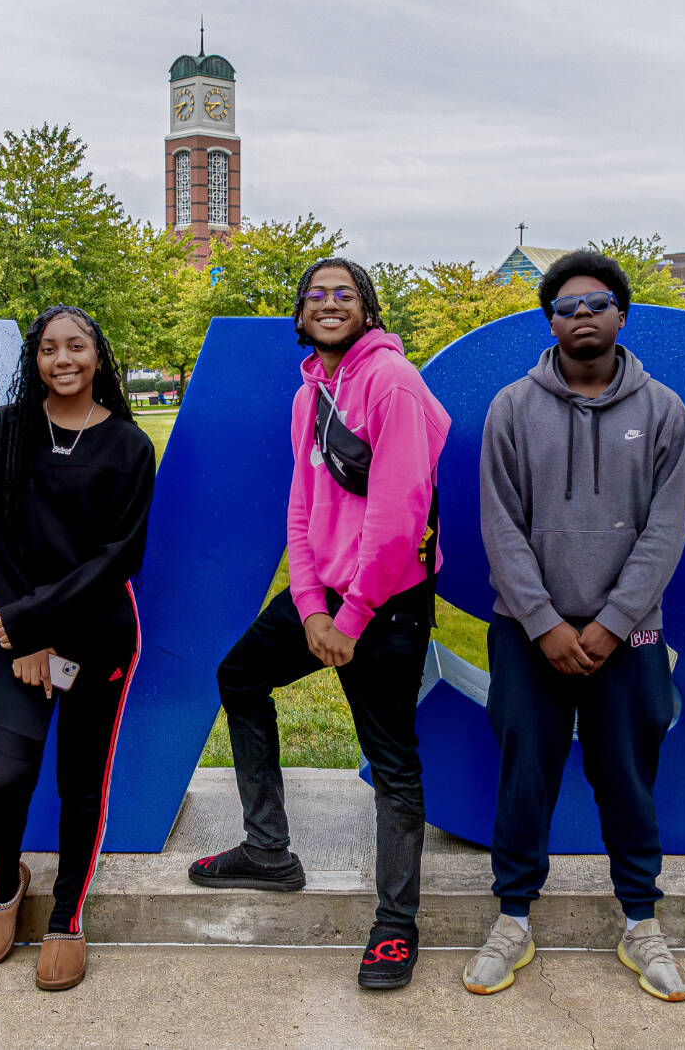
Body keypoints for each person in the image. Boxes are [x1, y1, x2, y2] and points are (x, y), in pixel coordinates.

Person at [187, 257, 450, 990]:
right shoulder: (310, 393)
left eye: (345, 293)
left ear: (368, 308)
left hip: (388, 603)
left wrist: (352, 617)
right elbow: (301, 509)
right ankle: (267, 849)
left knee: (391, 759)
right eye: (316, 295)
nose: (329, 303)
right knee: (240, 676)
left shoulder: (392, 382)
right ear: (300, 313)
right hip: (325, 594)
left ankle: (395, 926)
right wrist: (309, 607)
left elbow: (400, 516)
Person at [464, 250, 685, 1000]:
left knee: (628, 774)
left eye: (597, 303)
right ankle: (513, 918)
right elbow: (500, 526)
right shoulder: (511, 407)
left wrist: (614, 621)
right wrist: (543, 622)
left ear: (622, 315)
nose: (583, 315)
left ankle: (641, 921)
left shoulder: (663, 410)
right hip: (529, 632)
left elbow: (666, 529)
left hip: (630, 636)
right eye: (567, 307)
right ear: (550, 322)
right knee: (524, 773)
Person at [0, 305, 155, 992]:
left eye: (77, 346)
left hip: (97, 638)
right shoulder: (3, 430)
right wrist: (24, 634)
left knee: (81, 784)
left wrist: (34, 624)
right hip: (15, 638)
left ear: (98, 356)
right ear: (34, 359)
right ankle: (2, 885)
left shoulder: (130, 446)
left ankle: (68, 914)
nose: (63, 359)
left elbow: (118, 558)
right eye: (49, 348)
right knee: (8, 778)